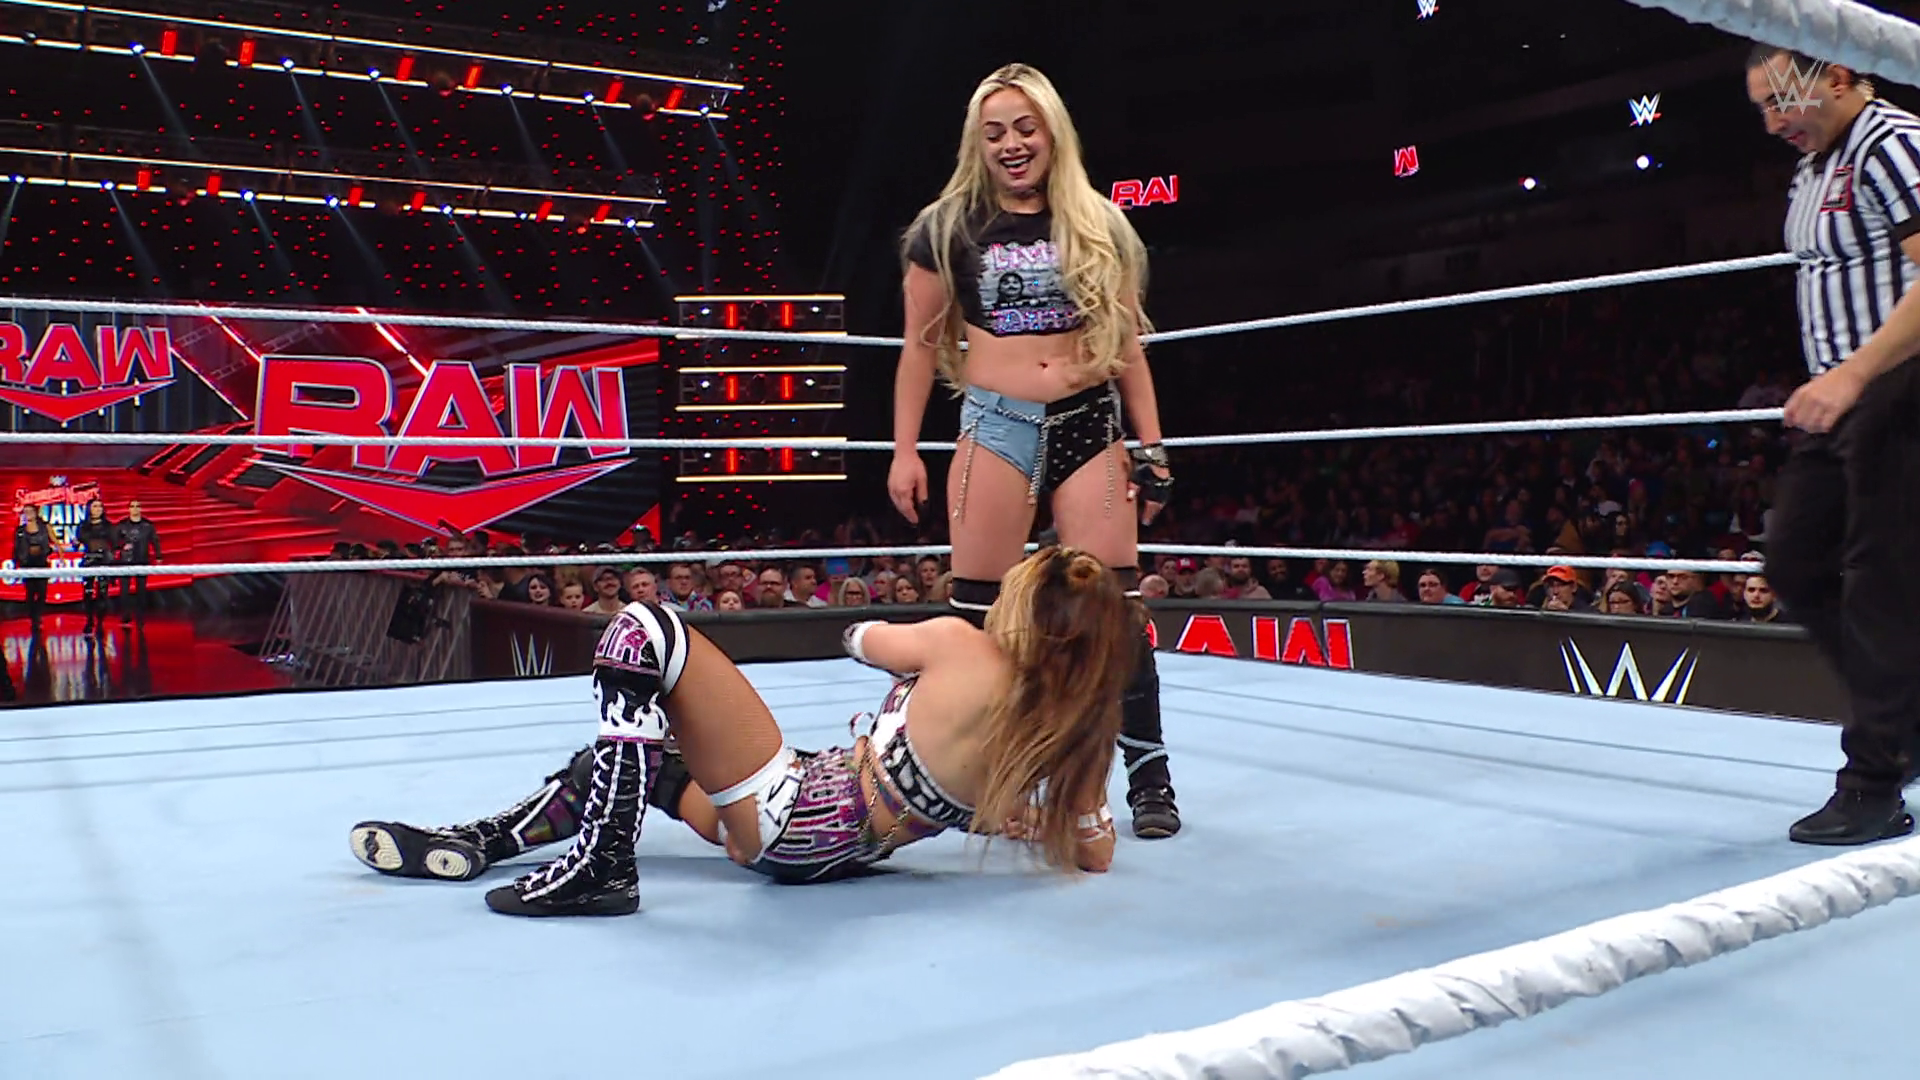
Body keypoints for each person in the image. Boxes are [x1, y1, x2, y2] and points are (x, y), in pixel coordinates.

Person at [348, 546, 1137, 917]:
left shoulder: (961, 646)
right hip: (824, 856)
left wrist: (928, 638)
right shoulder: (1072, 734)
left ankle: (602, 868)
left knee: (644, 631)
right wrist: (1016, 813)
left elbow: (861, 638)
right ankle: (483, 839)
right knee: (632, 766)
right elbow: (1096, 849)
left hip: (793, 808)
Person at [887, 62, 1181, 838]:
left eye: (1025, 128)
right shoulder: (945, 227)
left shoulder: (1097, 221)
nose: (1012, 145)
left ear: (1052, 133)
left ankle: (1150, 779)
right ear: (976, 144)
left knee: (1115, 609)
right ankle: (982, 779)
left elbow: (1129, 345)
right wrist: (904, 451)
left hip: (1088, 420)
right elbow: (918, 346)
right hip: (997, 423)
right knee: (978, 612)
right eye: (995, 133)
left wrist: (1153, 448)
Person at [1744, 44, 1920, 844]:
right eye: (1761, 107)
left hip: (1898, 385)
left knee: (1881, 585)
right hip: (1841, 398)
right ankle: (1905, 726)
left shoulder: (1891, 142)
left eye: (1782, 100)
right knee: (1793, 562)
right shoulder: (1812, 165)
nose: (1773, 121)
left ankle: (1874, 784)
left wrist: (1852, 375)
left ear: (1841, 78)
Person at [77, 498, 115, 632]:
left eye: (100, 506)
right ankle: (89, 620)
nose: (98, 509)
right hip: (89, 559)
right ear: (89, 509)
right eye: (95, 506)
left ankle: (100, 621)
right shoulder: (83, 526)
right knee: (88, 591)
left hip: (104, 560)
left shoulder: (108, 526)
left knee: (103, 592)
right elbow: (80, 540)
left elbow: (114, 542)